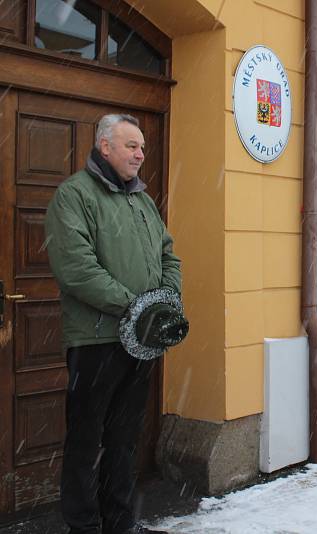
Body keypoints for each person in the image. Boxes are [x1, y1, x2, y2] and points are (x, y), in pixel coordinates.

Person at [45, 114, 182, 534]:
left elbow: (168, 255)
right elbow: (77, 269)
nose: (141, 154)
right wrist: (138, 307)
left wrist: (166, 302)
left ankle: (120, 523)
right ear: (105, 146)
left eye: (142, 147)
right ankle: (84, 526)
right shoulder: (74, 195)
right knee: (87, 441)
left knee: (123, 441)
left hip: (140, 344)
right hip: (96, 341)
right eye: (131, 146)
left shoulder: (141, 200)